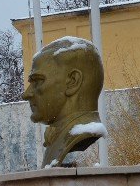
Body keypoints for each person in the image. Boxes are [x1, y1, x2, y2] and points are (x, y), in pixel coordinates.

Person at [21, 36, 106, 167]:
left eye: (38, 81)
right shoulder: (57, 137)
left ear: (73, 82)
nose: (26, 94)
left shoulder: (76, 136)